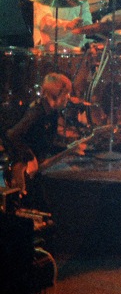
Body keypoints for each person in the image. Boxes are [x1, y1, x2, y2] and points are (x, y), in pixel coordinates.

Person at [3, 72, 73, 204]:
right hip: (24, 170)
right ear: (56, 95)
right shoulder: (37, 112)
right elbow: (12, 134)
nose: (68, 97)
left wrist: (70, 148)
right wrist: (29, 157)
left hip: (37, 169)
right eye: (66, 93)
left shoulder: (52, 113)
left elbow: (46, 142)